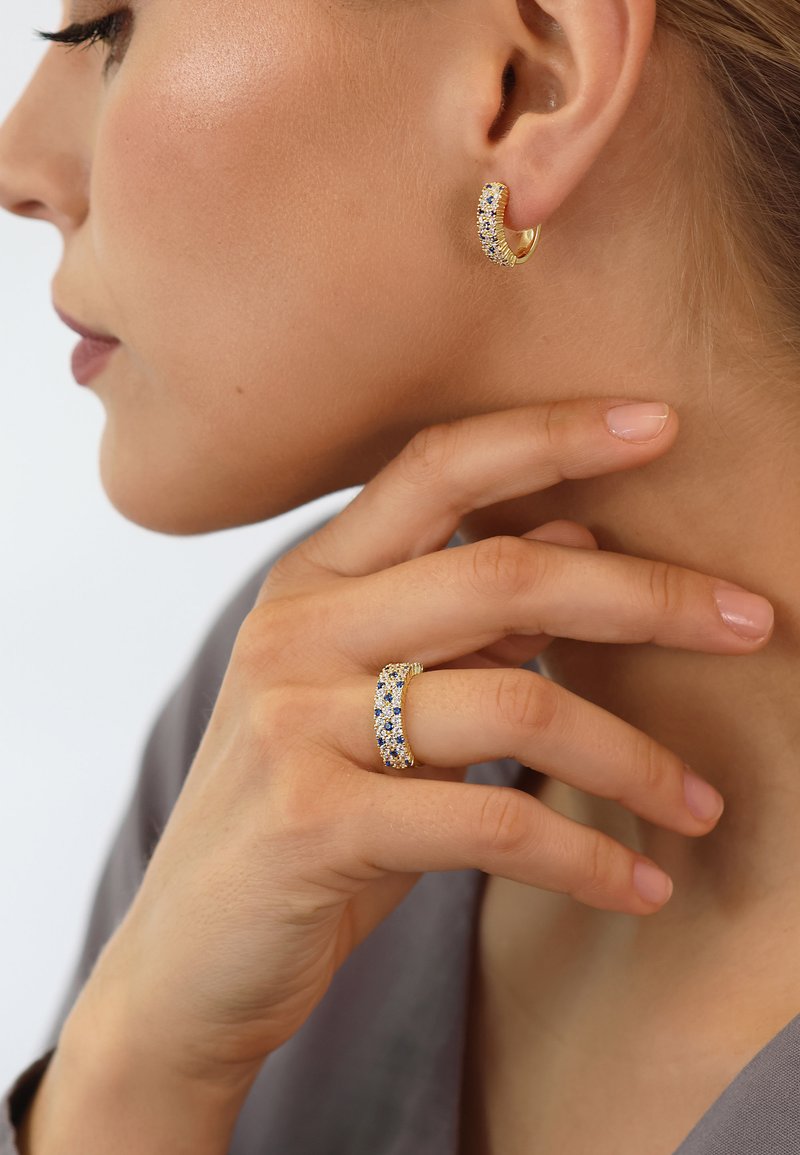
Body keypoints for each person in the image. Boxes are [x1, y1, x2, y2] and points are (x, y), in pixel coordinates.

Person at [0, 0, 798, 1151]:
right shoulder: (309, 710)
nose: (18, 166)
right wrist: (127, 1084)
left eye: (108, 30)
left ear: (531, 81)